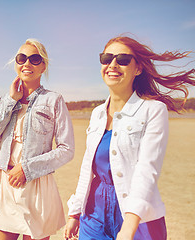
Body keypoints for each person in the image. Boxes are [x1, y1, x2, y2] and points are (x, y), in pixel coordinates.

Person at [64, 35, 195, 240]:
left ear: (138, 68)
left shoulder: (153, 110)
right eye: (107, 58)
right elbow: (87, 166)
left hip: (138, 218)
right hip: (93, 216)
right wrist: (75, 212)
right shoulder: (97, 113)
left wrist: (128, 227)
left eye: (123, 60)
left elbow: (147, 170)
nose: (112, 64)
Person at [0, 38, 75, 240]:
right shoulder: (8, 99)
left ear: (43, 66)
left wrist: (27, 168)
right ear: (16, 63)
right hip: (5, 185)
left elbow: (66, 149)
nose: (27, 63)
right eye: (22, 58)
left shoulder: (54, 100)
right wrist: (10, 100)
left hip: (38, 185)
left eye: (35, 59)